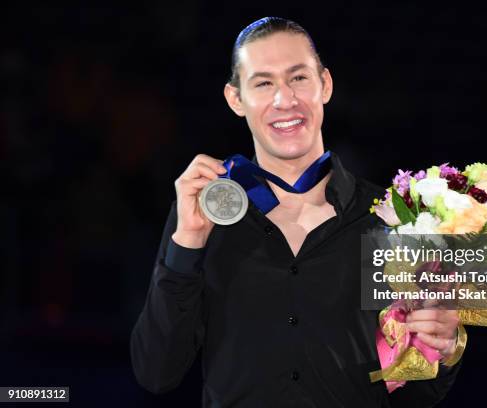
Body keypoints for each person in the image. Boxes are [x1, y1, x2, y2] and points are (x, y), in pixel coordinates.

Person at [131, 17, 464, 407]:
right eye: (263, 82)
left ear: (325, 84)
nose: (284, 99)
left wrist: (446, 346)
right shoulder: (201, 217)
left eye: (298, 78)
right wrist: (186, 245)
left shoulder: (390, 221)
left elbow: (418, 396)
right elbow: (156, 372)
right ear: (235, 99)